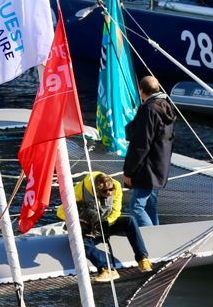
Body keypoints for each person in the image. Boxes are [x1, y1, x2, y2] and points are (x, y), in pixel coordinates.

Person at [59, 171, 147, 281]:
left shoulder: (116, 186)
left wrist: (105, 223)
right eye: (105, 191)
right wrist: (80, 219)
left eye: (111, 190)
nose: (110, 193)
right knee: (78, 241)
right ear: (96, 191)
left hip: (106, 224)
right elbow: (60, 212)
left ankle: (142, 258)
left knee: (130, 220)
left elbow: (116, 211)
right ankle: (105, 269)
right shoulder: (80, 190)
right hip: (89, 229)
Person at [122, 76, 176, 252]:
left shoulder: (149, 110)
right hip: (160, 165)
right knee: (150, 205)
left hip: (147, 167)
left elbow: (140, 144)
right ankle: (157, 235)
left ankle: (153, 241)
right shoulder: (167, 106)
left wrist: (128, 171)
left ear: (141, 90)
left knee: (136, 207)